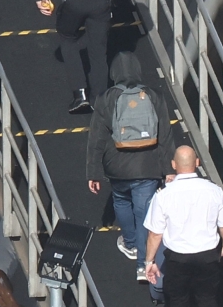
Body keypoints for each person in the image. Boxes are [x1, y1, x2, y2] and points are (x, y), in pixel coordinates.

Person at [87, 52, 176, 283]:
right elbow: (165, 135)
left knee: (121, 202)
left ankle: (130, 244)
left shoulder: (106, 98)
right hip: (147, 167)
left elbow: (96, 139)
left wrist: (93, 173)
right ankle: (142, 266)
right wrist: (169, 170)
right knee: (145, 214)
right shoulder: (154, 96)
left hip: (116, 167)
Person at [145, 146, 223, 307]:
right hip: (208, 255)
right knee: (207, 298)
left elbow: (155, 234)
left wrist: (149, 261)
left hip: (178, 258)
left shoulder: (163, 195)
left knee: (178, 300)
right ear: (197, 162)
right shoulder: (214, 191)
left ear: (174, 164)